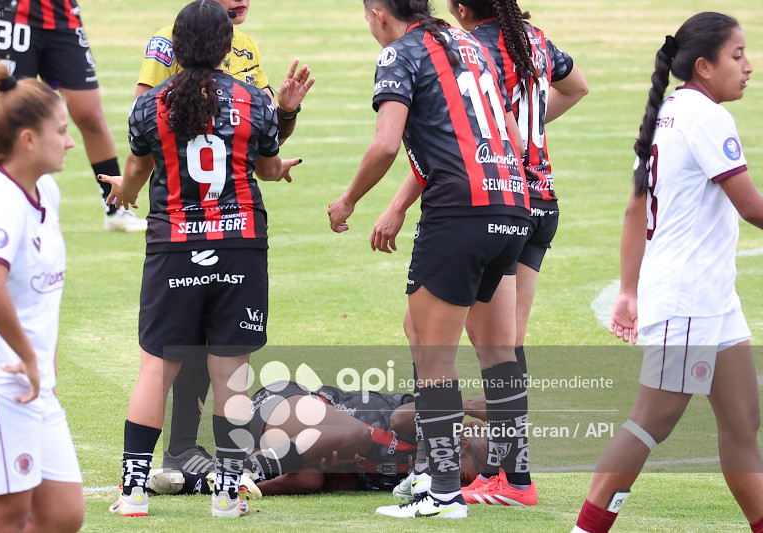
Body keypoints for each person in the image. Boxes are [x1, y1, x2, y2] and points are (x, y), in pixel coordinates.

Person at [372, 0, 589, 507]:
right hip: (536, 195)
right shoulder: (533, 39)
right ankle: (496, 474)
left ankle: (464, 475)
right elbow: (577, 87)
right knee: (496, 343)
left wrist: (396, 205)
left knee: (464, 343)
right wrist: (528, 133)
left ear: (462, 8)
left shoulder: (474, 46)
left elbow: (461, 138)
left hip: (492, 192)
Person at [328, 0, 530, 519]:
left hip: (459, 213)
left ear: (379, 12)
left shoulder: (400, 53)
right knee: (485, 349)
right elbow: (512, 135)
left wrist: (349, 200)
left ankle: (441, 492)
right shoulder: (471, 44)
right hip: (512, 203)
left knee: (435, 355)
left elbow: (386, 144)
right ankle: (507, 476)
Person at [103, 0, 300, 519]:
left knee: (156, 369)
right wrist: (283, 142)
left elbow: (136, 173)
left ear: (177, 45)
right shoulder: (252, 100)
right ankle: (227, 496)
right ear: (226, 46)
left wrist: (123, 192)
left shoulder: (151, 105)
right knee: (230, 375)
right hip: (240, 243)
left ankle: (133, 493)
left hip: (173, 245)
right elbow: (268, 167)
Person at [571, 12, 763, 533]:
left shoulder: (670, 111)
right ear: (704, 66)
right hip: (688, 301)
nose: (748, 66)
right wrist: (630, 291)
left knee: (742, 422)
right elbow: (751, 207)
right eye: (737, 55)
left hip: (712, 300)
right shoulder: (705, 117)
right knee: (650, 422)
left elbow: (636, 210)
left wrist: (628, 291)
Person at [0, 62, 83, 533]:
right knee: (4, 521)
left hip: (36, 383)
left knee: (62, 515)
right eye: (61, 131)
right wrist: (29, 358)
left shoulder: (45, 191)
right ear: (28, 139)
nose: (70, 142)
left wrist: (43, 364)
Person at [148, 380, 491, 497]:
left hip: (289, 446)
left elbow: (349, 481)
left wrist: (340, 467)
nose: (470, 478)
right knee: (356, 433)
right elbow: (399, 418)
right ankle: (244, 469)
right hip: (282, 405)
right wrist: (465, 406)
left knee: (310, 481)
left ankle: (200, 483)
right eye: (478, 465)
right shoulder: (430, 427)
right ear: (462, 443)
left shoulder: (417, 477)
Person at [0, 0, 147, 232]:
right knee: (15, 113)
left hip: (61, 15)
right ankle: (7, 207)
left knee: (89, 113)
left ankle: (115, 207)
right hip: (13, 13)